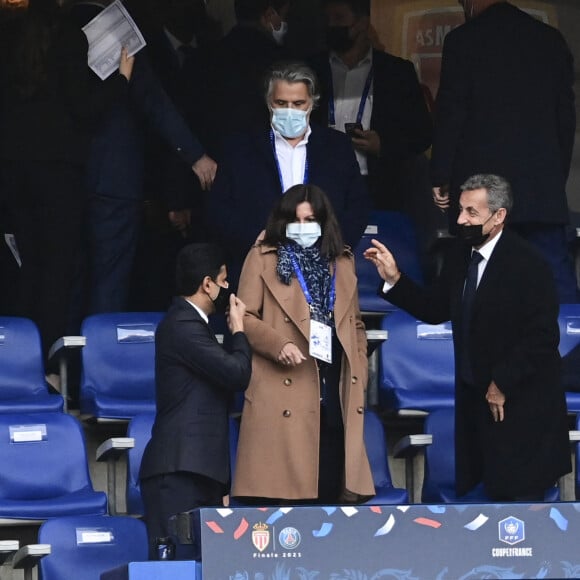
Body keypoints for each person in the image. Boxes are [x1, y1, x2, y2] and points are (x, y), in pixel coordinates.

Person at [365, 174, 571, 501]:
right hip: (476, 403)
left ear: (499, 216)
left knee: (518, 503)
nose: (461, 220)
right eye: (461, 210)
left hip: (522, 406)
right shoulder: (461, 254)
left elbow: (542, 336)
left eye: (472, 213)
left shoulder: (528, 264)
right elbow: (436, 308)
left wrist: (501, 382)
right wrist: (395, 279)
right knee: (483, 496)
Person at [0, 0, 133, 363]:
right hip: (57, 173)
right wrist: (121, 79)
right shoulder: (69, 38)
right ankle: (46, 365)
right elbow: (83, 107)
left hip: (13, 170)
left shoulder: (10, 36)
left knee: (24, 269)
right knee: (57, 273)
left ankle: (14, 359)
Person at [232, 184, 375, 504]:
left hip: (334, 385)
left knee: (330, 492)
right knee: (288, 505)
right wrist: (277, 343)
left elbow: (356, 325)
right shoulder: (262, 257)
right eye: (294, 220)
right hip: (283, 384)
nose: (302, 227)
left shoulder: (342, 262)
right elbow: (243, 316)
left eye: (310, 220)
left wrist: (360, 372)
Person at [430, 0, 577, 302]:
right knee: (555, 292)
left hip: (481, 196)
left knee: (479, 291)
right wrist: (553, 177)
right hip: (541, 192)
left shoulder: (462, 40)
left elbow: (451, 114)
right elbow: (566, 120)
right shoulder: (549, 39)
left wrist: (441, 174)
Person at [207, 61, 370, 284]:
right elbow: (219, 209)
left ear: (312, 103)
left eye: (298, 103)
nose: (290, 110)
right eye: (282, 103)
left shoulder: (337, 148)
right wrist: (260, 244)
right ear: (269, 102)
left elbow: (358, 206)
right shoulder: (240, 149)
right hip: (258, 268)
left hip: (324, 269)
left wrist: (332, 247)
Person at [139, 243, 252, 558]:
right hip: (178, 472)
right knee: (175, 571)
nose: (227, 287)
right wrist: (239, 330)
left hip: (199, 471)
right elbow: (236, 373)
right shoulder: (183, 325)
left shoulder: (192, 326)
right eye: (224, 279)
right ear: (207, 284)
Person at [311, 0, 432, 211]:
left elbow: (422, 135)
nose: (331, 25)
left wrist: (383, 144)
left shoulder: (397, 72)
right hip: (323, 186)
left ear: (362, 23)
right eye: (327, 19)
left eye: (339, 18)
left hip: (381, 189)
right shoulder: (311, 69)